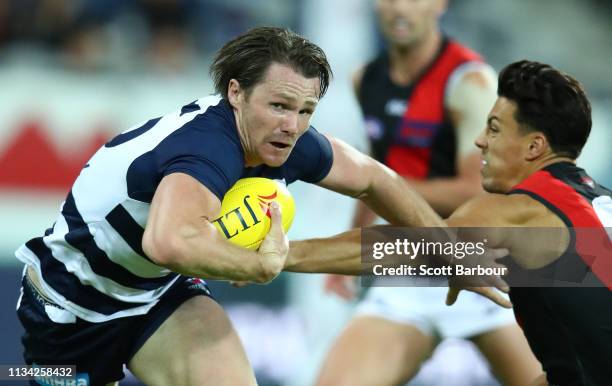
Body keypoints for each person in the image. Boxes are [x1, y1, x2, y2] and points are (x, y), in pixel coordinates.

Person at [14, 26, 505, 386]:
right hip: (71, 308)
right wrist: (260, 265)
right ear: (236, 92)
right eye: (279, 106)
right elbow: (166, 240)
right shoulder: (206, 148)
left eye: (305, 111)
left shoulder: (287, 139)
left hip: (157, 299)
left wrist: (452, 254)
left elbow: (376, 179)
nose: (292, 125)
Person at [318, 1, 540, 385]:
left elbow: (477, 190)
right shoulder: (365, 79)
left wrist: (382, 183)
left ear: (439, 4)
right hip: (410, 269)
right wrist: (352, 246)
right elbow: (376, 165)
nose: (400, 8)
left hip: (484, 264)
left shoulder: (469, 81)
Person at [443, 60, 612, 386]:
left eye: (493, 128)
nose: (480, 140)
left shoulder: (523, 210)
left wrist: (310, 254)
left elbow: (392, 251)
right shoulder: (594, 206)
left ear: (534, 146)